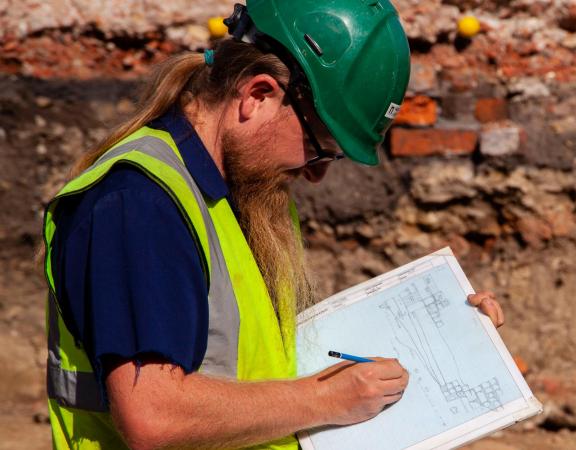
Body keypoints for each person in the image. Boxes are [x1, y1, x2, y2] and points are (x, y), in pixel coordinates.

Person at [42, 1, 505, 448]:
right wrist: (326, 399)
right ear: (258, 95)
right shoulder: (138, 205)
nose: (318, 172)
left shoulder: (248, 190)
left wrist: (449, 328)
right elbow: (153, 414)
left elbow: (274, 355)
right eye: (322, 144)